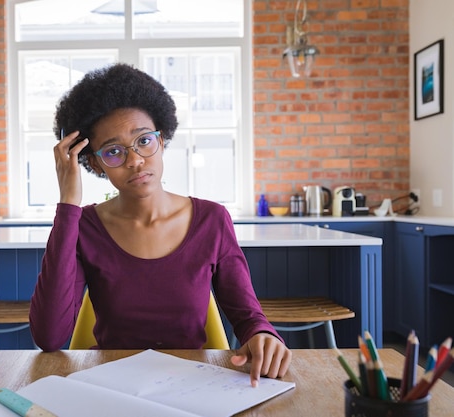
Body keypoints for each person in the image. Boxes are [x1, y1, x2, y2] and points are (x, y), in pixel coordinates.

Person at [29, 63, 292, 386]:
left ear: (163, 139)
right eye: (113, 151)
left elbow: (248, 316)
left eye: (143, 141)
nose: (135, 160)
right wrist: (68, 202)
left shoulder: (212, 220)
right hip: (112, 389)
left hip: (191, 387)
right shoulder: (85, 226)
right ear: (95, 162)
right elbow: (49, 335)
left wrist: (264, 335)